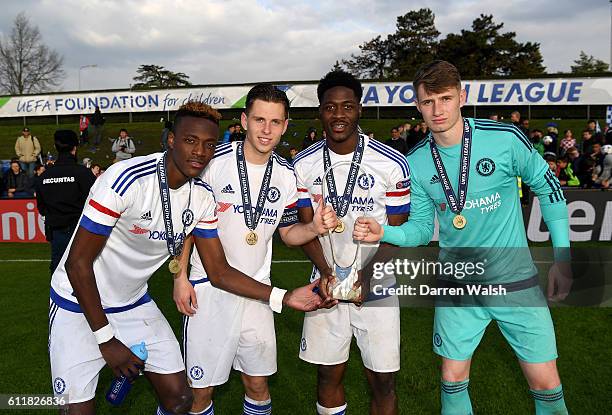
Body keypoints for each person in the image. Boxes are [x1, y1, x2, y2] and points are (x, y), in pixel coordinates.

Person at [48, 102, 322, 415]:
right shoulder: (126, 179)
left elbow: (219, 272)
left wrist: (284, 297)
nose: (200, 152)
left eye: (209, 144)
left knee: (181, 400)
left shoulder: (203, 197)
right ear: (171, 140)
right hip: (76, 303)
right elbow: (76, 264)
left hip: (133, 304)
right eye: (190, 141)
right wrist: (106, 339)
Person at [354, 60, 570, 415]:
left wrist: (562, 258)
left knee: (546, 384)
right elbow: (423, 230)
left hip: (515, 283)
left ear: (461, 97)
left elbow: (548, 190)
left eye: (445, 98)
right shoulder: (418, 161)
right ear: (417, 105)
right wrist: (384, 231)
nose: (437, 110)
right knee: (452, 380)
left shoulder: (503, 139)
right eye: (428, 102)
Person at [173, 84, 337, 415]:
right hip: (208, 289)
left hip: (258, 292)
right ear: (245, 120)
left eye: (275, 122)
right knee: (201, 392)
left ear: (285, 125)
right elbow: (187, 222)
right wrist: (180, 276)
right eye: (259, 119)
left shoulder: (287, 176)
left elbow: (289, 234)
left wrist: (314, 228)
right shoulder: (213, 161)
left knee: (258, 384)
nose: (266, 130)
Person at [294, 70, 411, 415]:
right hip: (324, 280)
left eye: (347, 106)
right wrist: (327, 272)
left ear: (359, 109)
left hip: (377, 285)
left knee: (383, 381)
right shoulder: (302, 164)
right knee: (328, 375)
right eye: (331, 107)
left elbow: (397, 233)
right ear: (320, 112)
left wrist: (366, 277)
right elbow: (304, 227)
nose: (339, 115)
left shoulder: (392, 163)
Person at [35, 130, 96, 274]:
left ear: (56, 148)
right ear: (74, 148)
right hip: (82, 231)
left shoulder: (44, 176)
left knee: (58, 271)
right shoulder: (83, 173)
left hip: (57, 231)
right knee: (85, 270)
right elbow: (96, 203)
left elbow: (42, 208)